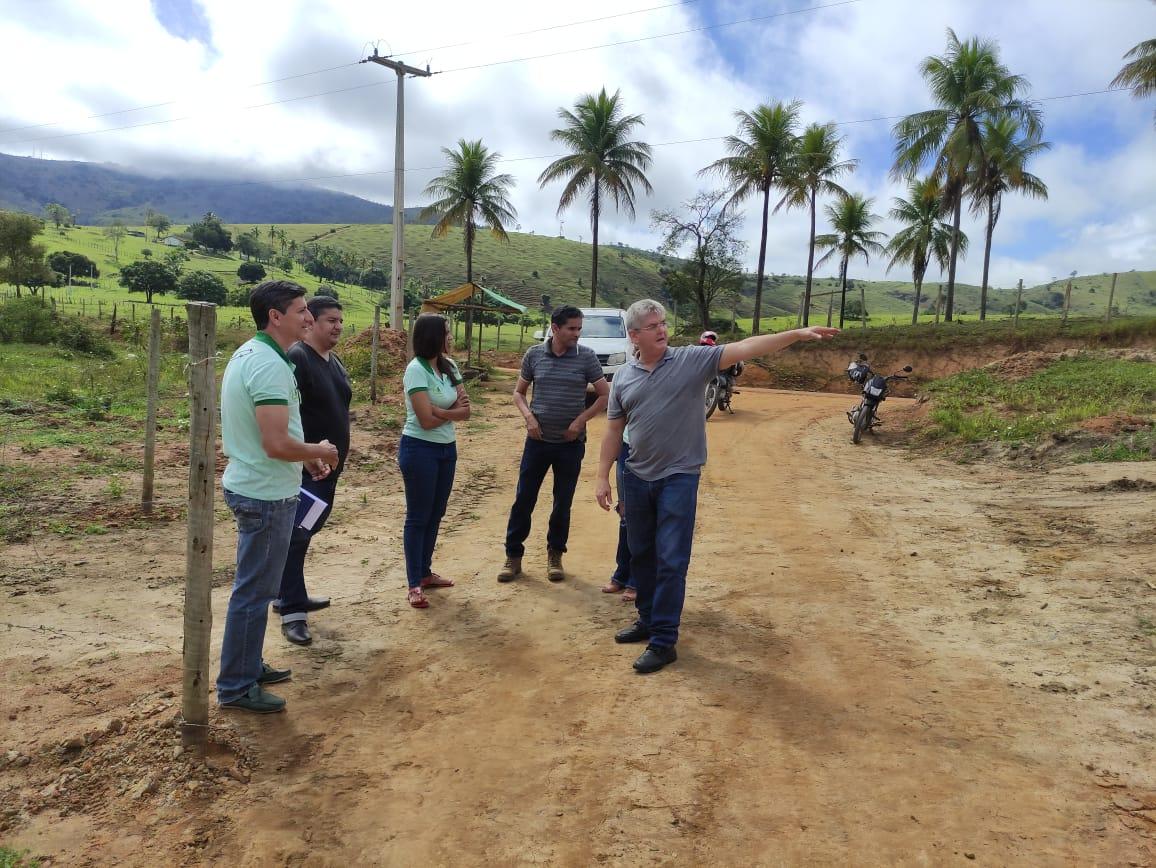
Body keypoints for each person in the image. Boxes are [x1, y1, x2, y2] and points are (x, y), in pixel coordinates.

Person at [595, 300, 838, 673]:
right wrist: (601, 475)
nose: (662, 329)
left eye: (663, 322)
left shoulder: (692, 361)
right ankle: (647, 619)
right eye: (652, 325)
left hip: (679, 476)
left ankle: (663, 640)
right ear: (634, 335)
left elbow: (747, 347)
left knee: (671, 560)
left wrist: (797, 334)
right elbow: (613, 430)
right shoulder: (624, 378)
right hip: (635, 476)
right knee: (640, 553)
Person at [217, 280, 339, 713]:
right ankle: (236, 685)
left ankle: (246, 664)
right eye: (302, 310)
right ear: (276, 316)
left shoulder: (258, 355)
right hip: (265, 494)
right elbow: (273, 442)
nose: (309, 317)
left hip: (261, 485)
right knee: (254, 593)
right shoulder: (268, 365)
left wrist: (303, 459)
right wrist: (317, 451)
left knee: (255, 589)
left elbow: (272, 435)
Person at [498, 305, 609, 583]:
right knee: (524, 499)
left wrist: (580, 422)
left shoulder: (586, 357)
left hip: (570, 444)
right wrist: (529, 419)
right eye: (572, 328)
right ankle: (513, 556)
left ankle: (555, 554)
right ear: (555, 328)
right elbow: (519, 393)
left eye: (579, 328)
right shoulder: (534, 355)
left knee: (562, 502)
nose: (577, 334)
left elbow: (605, 396)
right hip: (537, 441)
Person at [273, 295, 351, 646]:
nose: (337, 326)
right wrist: (307, 455)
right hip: (307, 468)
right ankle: (292, 611)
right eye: (329, 320)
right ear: (312, 323)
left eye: (340, 321)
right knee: (296, 536)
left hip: (327, 469)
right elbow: (287, 416)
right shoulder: (298, 359)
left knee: (304, 533)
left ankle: (289, 593)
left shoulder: (333, 362)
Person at [399, 313, 470, 609]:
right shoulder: (415, 370)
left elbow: (466, 410)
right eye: (446, 333)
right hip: (419, 449)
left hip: (446, 450)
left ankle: (425, 572)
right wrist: (445, 412)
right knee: (418, 517)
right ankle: (414, 583)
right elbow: (424, 422)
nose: (451, 338)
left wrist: (440, 412)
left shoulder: (449, 366)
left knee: (436, 512)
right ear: (433, 336)